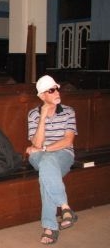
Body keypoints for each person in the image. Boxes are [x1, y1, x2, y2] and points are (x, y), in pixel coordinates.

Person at [25, 75, 78, 245]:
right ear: (42, 96)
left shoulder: (69, 111)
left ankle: (50, 227)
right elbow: (37, 143)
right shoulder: (33, 114)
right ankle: (65, 207)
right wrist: (42, 117)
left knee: (46, 172)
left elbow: (67, 141)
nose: (57, 92)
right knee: (46, 163)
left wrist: (45, 149)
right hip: (38, 156)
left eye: (56, 88)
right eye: (51, 90)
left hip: (63, 155)